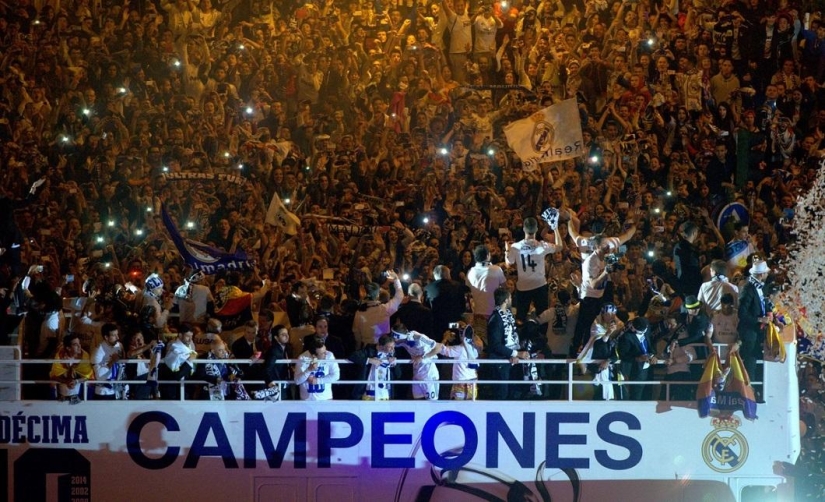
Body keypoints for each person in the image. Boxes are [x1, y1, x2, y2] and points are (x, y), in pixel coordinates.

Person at [568, 213, 637, 356]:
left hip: (595, 290)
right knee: (593, 323)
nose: (606, 251)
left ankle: (597, 351)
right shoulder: (609, 243)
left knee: (593, 323)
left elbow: (572, 232)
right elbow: (629, 235)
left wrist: (570, 218)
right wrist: (634, 219)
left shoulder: (583, 241)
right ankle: (586, 354)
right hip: (596, 289)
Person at [505, 216, 563, 321]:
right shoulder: (542, 246)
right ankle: (541, 335)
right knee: (542, 315)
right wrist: (555, 228)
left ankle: (521, 336)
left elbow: (509, 263)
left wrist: (506, 251)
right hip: (539, 285)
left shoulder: (515, 247)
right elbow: (559, 246)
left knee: (521, 317)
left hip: (523, 286)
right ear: (536, 229)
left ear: (524, 229)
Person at [485, 288, 529, 400]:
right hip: (500, 363)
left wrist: (514, 354)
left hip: (510, 361)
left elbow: (512, 336)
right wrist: (516, 354)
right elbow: (495, 345)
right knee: (502, 394)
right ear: (505, 300)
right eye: (510, 298)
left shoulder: (508, 315)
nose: (511, 300)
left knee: (513, 393)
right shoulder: (496, 319)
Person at [738, 258, 771, 390]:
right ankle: (748, 391)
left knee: (754, 360)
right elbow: (742, 314)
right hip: (749, 333)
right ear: (761, 274)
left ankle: (753, 390)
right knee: (750, 362)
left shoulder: (758, 287)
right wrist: (759, 320)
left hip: (756, 332)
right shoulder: (748, 289)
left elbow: (764, 305)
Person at [466, 245, 506, 344]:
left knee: (481, 344)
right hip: (495, 314)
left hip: (479, 313)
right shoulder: (497, 269)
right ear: (488, 255)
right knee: (496, 343)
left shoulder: (470, 272)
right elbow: (505, 287)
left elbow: (469, 290)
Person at [353, 271, 404, 348]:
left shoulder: (359, 312)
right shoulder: (385, 309)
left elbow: (357, 333)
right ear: (378, 295)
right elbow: (399, 296)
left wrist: (358, 348)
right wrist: (396, 279)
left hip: (366, 347)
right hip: (383, 347)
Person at [392, 328, 442, 400]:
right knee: (418, 404)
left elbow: (439, 347)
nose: (394, 340)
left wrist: (422, 357)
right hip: (416, 375)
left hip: (429, 375)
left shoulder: (419, 338)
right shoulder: (401, 342)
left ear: (399, 337)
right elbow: (389, 344)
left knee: (432, 403)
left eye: (395, 338)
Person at [349, 333, 401, 400]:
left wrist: (395, 365)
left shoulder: (392, 354)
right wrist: (369, 360)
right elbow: (352, 356)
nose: (393, 349)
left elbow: (398, 375)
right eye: (390, 347)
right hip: (369, 391)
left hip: (385, 392)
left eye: (393, 346)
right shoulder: (369, 350)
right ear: (381, 346)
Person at [617, 317, 657, 401]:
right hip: (634, 370)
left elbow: (649, 345)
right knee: (635, 396)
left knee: (647, 394)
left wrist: (653, 355)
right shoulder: (627, 337)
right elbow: (623, 355)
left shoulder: (646, 329)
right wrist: (637, 358)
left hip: (647, 368)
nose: (643, 332)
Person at [440, 323, 483, 400]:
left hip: (460, 384)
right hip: (473, 384)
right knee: (470, 409)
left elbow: (440, 349)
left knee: (458, 409)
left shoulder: (458, 349)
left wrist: (445, 338)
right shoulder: (476, 349)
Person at [50, 333, 93, 404]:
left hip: (79, 392)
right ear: (68, 348)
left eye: (79, 343)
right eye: (75, 344)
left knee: (89, 384)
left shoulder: (84, 356)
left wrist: (76, 381)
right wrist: (66, 381)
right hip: (62, 393)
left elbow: (88, 376)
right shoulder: (59, 356)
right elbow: (54, 375)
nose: (79, 346)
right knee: (52, 383)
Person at [160, 324, 198, 400]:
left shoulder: (190, 344)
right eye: (188, 336)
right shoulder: (173, 346)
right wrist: (190, 359)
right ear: (180, 335)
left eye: (191, 336)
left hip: (186, 383)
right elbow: (176, 371)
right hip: (172, 386)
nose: (190, 339)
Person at [258, 324, 293, 401]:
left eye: (287, 334)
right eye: (283, 334)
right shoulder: (274, 351)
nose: (286, 336)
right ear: (276, 337)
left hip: (284, 384)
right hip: (277, 385)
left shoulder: (287, 349)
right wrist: (270, 382)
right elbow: (267, 368)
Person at [91, 322, 125, 400]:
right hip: (103, 392)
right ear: (106, 337)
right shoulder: (98, 351)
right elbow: (99, 376)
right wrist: (112, 361)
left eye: (117, 334)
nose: (118, 338)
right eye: (114, 335)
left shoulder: (119, 345)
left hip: (117, 389)